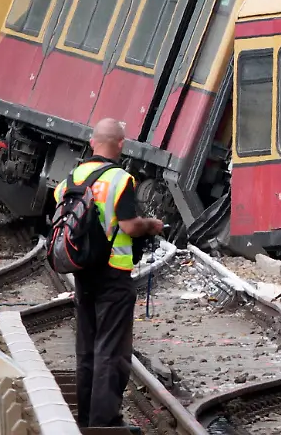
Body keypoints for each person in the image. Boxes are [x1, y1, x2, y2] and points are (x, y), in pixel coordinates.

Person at [53, 118, 164, 429]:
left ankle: (87, 419)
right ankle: (106, 423)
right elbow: (128, 226)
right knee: (111, 351)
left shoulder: (71, 179)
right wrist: (151, 226)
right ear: (121, 145)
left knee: (87, 349)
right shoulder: (120, 179)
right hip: (114, 274)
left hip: (82, 272)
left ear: (91, 143)